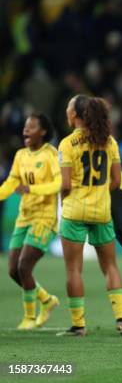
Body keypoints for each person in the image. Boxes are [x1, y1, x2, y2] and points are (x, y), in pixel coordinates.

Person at [57, 95, 122, 337]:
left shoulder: (66, 144)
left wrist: (66, 200)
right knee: (110, 267)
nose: (67, 113)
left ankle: (79, 325)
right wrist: (99, 193)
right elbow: (117, 181)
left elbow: (64, 184)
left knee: (73, 270)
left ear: (75, 115)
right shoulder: (109, 142)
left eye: (69, 109)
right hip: (102, 211)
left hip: (74, 210)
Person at [0, 114, 60, 330]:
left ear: (42, 131)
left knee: (24, 265)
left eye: (31, 127)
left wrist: (32, 189)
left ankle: (29, 317)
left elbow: (58, 184)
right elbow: (11, 182)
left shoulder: (50, 155)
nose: (25, 130)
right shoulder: (20, 155)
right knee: (13, 271)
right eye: (25, 126)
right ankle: (46, 300)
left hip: (44, 218)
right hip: (24, 217)